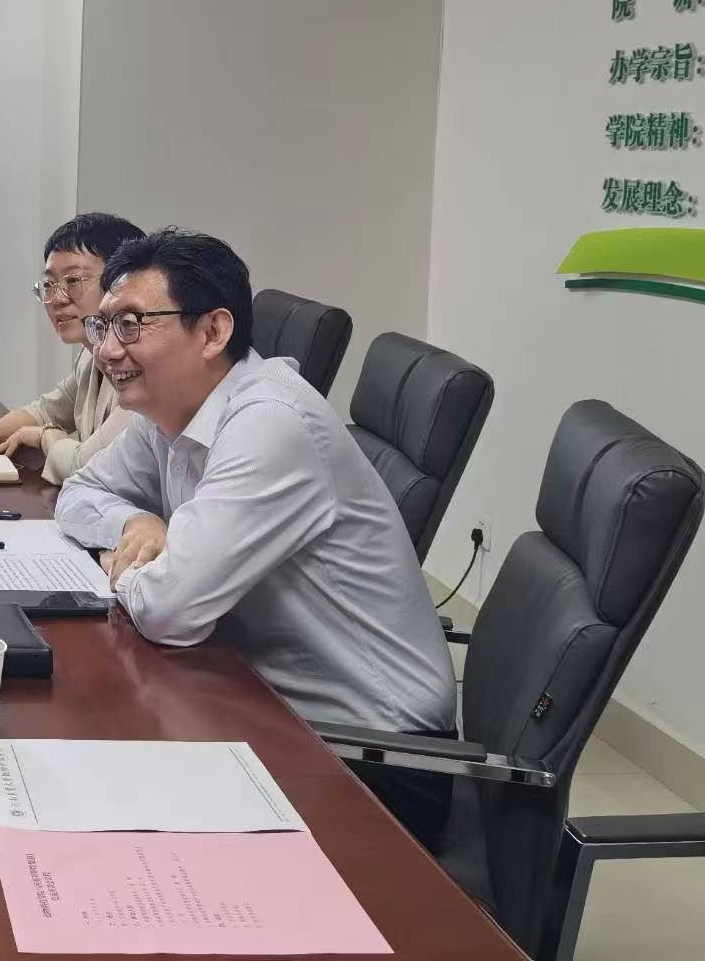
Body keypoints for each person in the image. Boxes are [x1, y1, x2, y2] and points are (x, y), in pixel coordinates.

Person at [54, 228, 459, 842]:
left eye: (132, 325)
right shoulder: (169, 409)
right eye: (103, 326)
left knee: (99, 811)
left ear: (213, 332)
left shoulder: (270, 423)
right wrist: (136, 524)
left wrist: (130, 562)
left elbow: (170, 611)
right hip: (259, 699)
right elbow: (78, 494)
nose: (108, 349)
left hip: (373, 758)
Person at [0, 212, 143, 484]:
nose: (57, 299)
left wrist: (45, 435)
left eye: (73, 281)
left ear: (122, 282)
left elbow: (86, 468)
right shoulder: (90, 355)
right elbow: (47, 410)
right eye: (49, 285)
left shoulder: (140, 369)